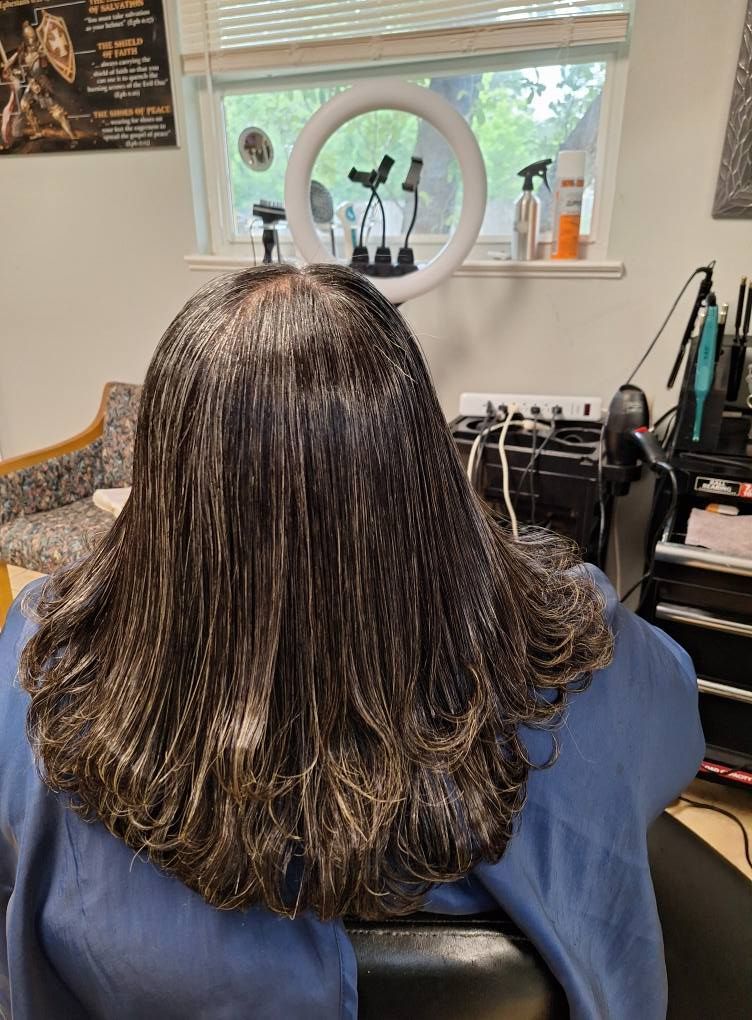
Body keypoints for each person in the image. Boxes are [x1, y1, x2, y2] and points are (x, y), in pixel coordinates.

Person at [0, 264, 702, 1019]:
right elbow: (676, 741)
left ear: (167, 480)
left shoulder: (44, 655)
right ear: (425, 465)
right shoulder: (581, 649)